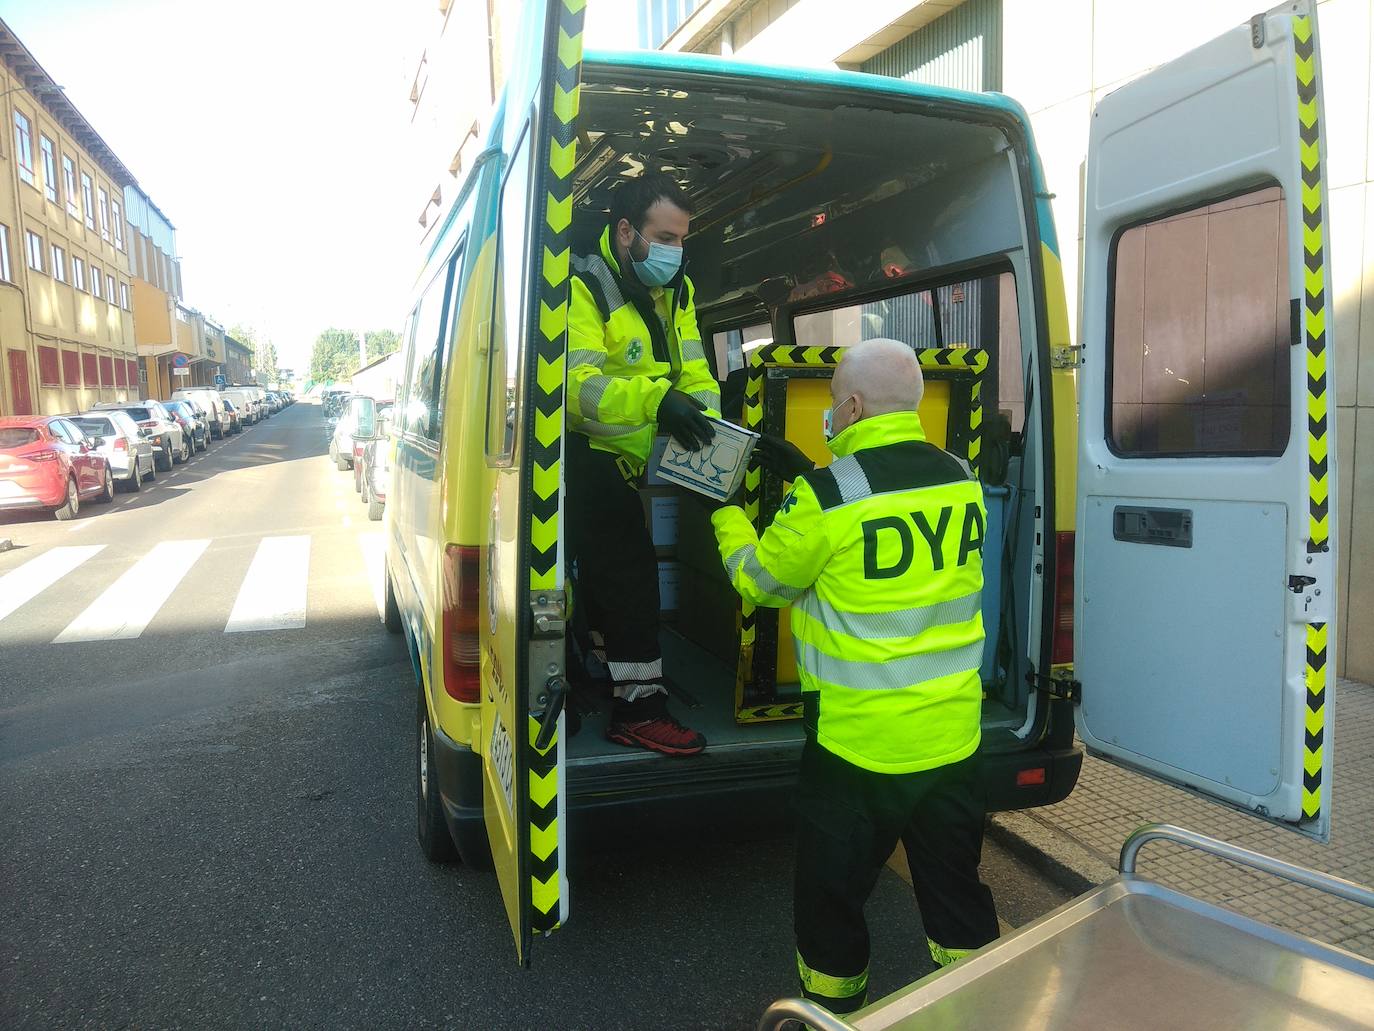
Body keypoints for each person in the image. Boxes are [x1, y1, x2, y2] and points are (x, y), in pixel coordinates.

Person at [712, 338, 999, 1015]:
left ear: (852, 405)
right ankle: (986, 1010)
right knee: (957, 900)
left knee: (830, 904)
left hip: (855, 750)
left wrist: (724, 512)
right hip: (951, 738)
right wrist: (815, 470)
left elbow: (762, 579)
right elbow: (881, 528)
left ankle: (831, 1019)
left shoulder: (825, 497)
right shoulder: (960, 473)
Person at [565, 171, 719, 757]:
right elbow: (577, 392)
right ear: (625, 230)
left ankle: (606, 671)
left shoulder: (677, 291)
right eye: (663, 236)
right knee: (632, 582)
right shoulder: (584, 286)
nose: (674, 252)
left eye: (682, 239)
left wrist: (709, 427)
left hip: (624, 461)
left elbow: (695, 369)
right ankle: (639, 709)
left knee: (609, 581)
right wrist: (659, 402)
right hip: (581, 456)